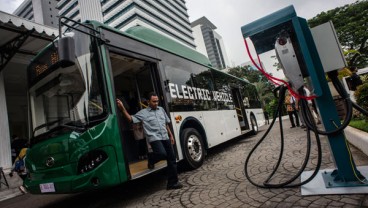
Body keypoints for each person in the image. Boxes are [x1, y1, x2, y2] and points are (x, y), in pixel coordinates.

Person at [117, 92, 183, 190]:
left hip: (165, 136)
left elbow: (165, 123)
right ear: (148, 102)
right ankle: (151, 158)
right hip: (154, 138)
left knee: (172, 159)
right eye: (154, 101)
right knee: (162, 154)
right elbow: (131, 119)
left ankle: (172, 183)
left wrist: (171, 135)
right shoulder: (143, 113)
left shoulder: (161, 110)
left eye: (157, 101)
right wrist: (122, 109)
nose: (156, 103)